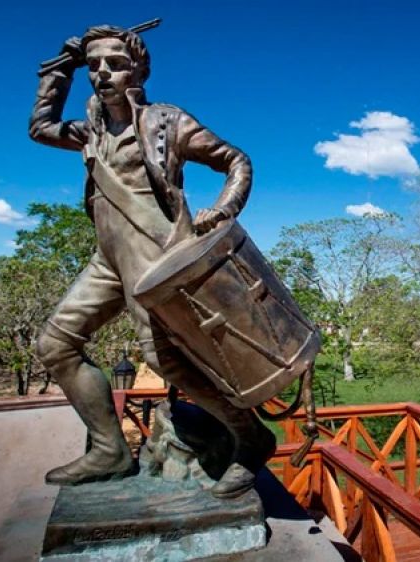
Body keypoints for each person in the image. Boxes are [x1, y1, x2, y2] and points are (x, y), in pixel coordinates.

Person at [29, 25, 275, 498]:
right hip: (108, 261)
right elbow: (40, 128)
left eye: (116, 64)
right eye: (94, 65)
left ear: (139, 70)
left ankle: (251, 436)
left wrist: (223, 209)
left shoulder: (167, 122)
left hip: (157, 259)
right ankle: (110, 450)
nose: (102, 73)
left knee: (165, 361)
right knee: (56, 345)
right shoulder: (91, 128)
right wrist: (60, 68)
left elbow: (236, 160)